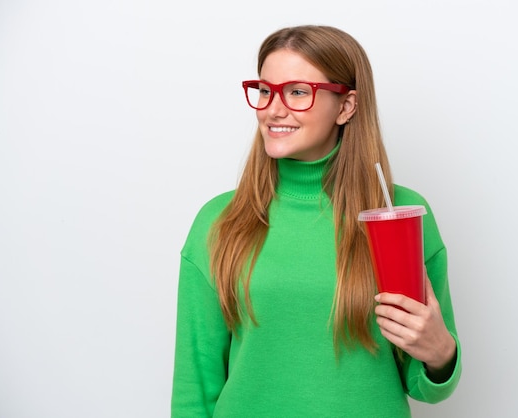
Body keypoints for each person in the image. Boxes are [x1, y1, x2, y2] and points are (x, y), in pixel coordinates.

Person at [171, 24, 461, 418]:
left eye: (297, 92)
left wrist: (441, 353)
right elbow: (195, 390)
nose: (273, 108)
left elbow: (425, 385)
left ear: (346, 106)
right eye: (265, 90)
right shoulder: (219, 221)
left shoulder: (401, 215)